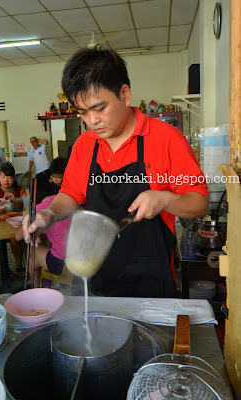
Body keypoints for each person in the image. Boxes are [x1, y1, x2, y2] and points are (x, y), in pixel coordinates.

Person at [23, 48, 209, 298]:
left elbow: (199, 204)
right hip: (94, 277)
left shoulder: (167, 139)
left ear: (125, 95)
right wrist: (50, 214)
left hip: (150, 281)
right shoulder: (84, 145)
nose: (92, 121)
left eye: (99, 109)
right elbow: (71, 194)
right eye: (83, 112)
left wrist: (165, 199)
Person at [16, 195, 71, 288]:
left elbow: (18, 236)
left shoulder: (43, 206)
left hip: (63, 265)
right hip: (87, 262)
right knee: (47, 244)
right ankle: (47, 281)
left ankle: (36, 290)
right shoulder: (72, 199)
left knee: (33, 251)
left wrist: (26, 216)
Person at [27, 137, 51, 203]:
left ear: (37, 141)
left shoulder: (42, 147)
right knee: (40, 187)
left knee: (47, 186)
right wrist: (29, 169)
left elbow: (46, 142)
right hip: (38, 172)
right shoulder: (32, 151)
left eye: (34, 141)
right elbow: (31, 161)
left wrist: (39, 140)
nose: (33, 143)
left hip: (46, 169)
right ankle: (42, 202)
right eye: (31, 142)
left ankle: (49, 200)